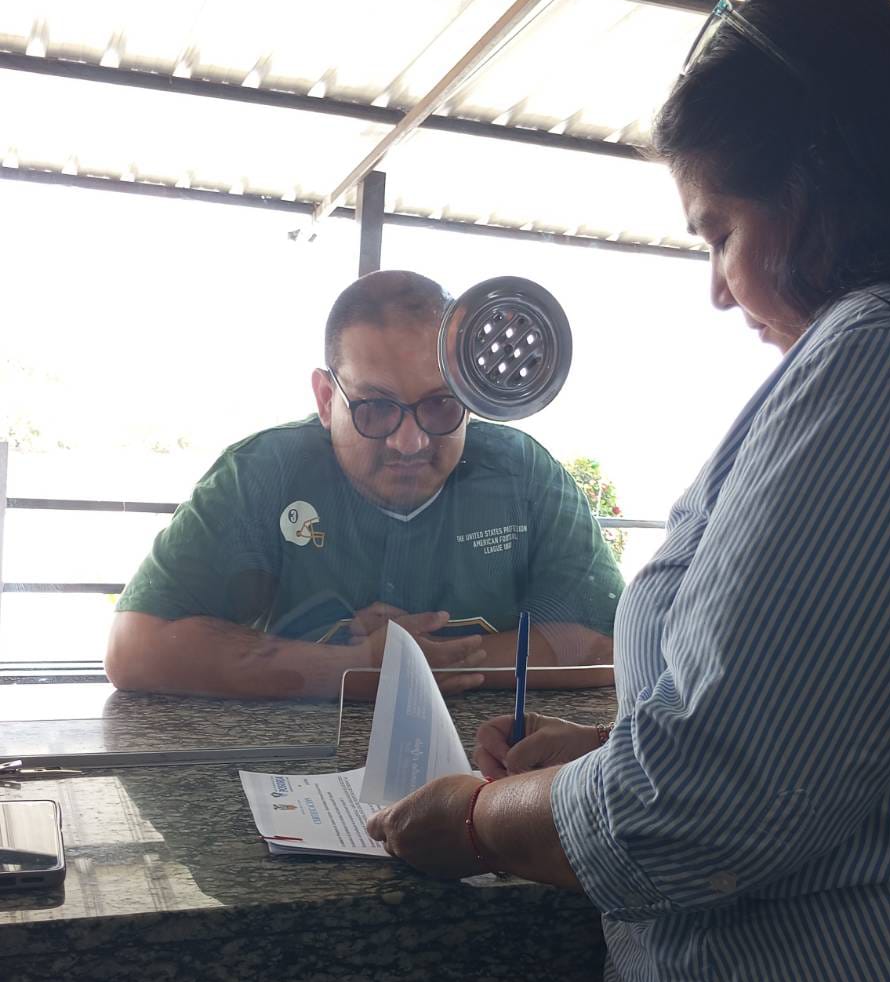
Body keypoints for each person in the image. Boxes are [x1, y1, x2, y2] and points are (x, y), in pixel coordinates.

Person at [366, 0, 890, 982]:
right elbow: (828, 726)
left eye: (718, 229)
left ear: (820, 182)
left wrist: (480, 818)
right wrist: (607, 753)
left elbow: (705, 801)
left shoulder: (873, 356)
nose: (716, 284)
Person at [106, 270, 623, 700]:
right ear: (326, 398)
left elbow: (610, 644)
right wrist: (352, 666)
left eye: (440, 404)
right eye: (375, 407)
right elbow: (135, 648)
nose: (410, 441)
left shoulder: (523, 474)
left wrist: (408, 667)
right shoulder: (263, 474)